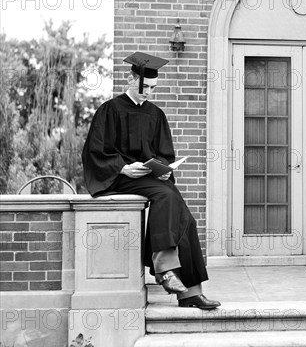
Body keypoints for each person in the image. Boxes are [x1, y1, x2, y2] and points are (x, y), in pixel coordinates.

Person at [81, 52, 220, 310]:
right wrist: (123, 168)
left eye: (154, 88)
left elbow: (164, 154)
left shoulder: (155, 114)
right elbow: (94, 152)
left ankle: (190, 292)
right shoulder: (109, 110)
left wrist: (165, 170)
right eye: (146, 87)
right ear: (131, 78)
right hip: (120, 178)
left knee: (186, 218)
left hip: (148, 177)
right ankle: (165, 271)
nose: (149, 93)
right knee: (167, 196)